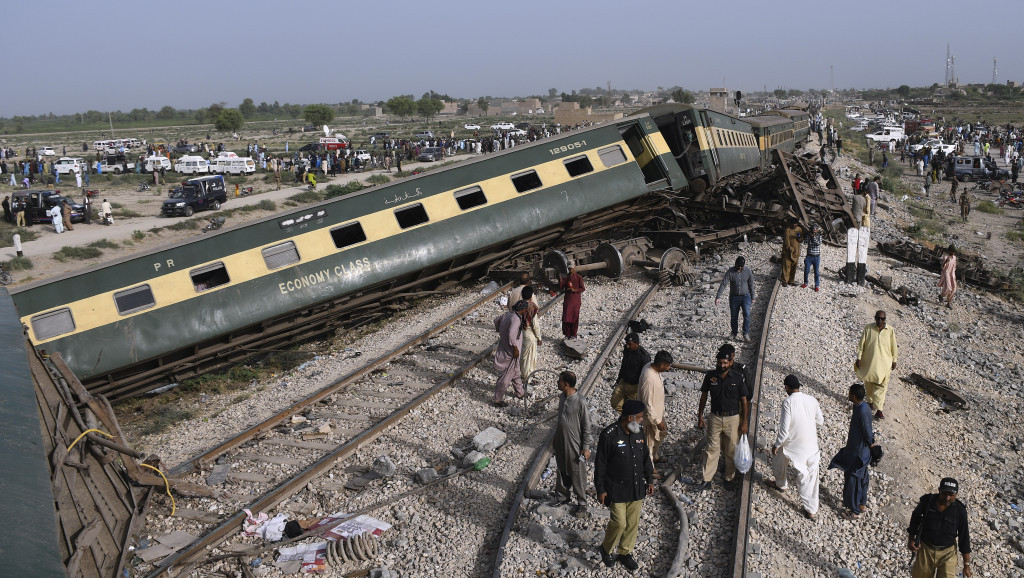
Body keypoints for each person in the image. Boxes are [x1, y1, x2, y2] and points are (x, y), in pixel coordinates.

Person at [594, 399, 655, 572]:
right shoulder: (609, 435)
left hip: (636, 488)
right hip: (616, 489)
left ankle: (625, 552)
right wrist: (600, 489)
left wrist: (649, 479)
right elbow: (601, 464)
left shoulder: (638, 432)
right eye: (640, 417)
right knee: (619, 523)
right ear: (630, 418)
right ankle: (606, 549)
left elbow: (645, 458)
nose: (642, 420)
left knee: (632, 523)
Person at [766, 375, 824, 520]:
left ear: (787, 387)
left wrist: (777, 444)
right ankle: (811, 510)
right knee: (809, 477)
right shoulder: (812, 399)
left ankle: (781, 484)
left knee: (779, 458)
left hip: (794, 445)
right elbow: (820, 421)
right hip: (812, 445)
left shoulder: (788, 402)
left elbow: (784, 430)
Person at [695, 343, 751, 491]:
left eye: (725, 362)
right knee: (711, 448)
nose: (722, 365)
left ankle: (729, 478)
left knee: (731, 449)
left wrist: (744, 422)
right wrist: (700, 416)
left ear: (731, 362)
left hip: (733, 419)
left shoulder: (738, 378)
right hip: (715, 417)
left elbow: (744, 400)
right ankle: (707, 479)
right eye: (720, 362)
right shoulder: (710, 376)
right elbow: (704, 396)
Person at [908, 478, 972, 578]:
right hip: (926, 550)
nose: (947, 498)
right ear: (939, 490)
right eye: (944, 493)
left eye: (951, 495)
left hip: (948, 553)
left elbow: (964, 537)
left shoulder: (960, 510)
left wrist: (966, 565)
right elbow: (915, 519)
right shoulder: (927, 501)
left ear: (956, 494)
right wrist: (911, 539)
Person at [829, 383, 875, 520]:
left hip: (858, 453)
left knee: (853, 481)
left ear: (854, 396)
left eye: (849, 393)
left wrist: (871, 442)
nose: (848, 395)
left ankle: (854, 511)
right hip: (861, 452)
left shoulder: (860, 410)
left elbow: (867, 430)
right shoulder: (863, 406)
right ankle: (862, 504)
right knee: (862, 478)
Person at [552, 371, 593, 517]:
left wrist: (586, 447)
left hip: (575, 443)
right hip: (561, 441)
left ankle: (582, 502)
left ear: (566, 384)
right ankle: (562, 496)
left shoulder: (580, 401)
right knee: (562, 469)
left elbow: (587, 425)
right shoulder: (563, 397)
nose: (557, 382)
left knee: (577, 472)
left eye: (560, 380)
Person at [855, 310, 898, 420]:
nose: (880, 321)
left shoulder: (890, 330)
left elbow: (894, 346)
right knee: (869, 383)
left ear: (885, 319)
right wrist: (859, 357)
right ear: (875, 318)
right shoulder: (868, 328)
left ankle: (879, 410)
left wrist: (894, 360)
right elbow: (861, 345)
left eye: (882, 319)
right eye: (878, 318)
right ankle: (870, 403)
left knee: (881, 387)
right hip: (870, 362)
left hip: (884, 364)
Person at [637, 350, 673, 466]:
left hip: (657, 412)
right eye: (667, 366)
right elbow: (647, 403)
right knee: (649, 442)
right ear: (661, 364)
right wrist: (657, 421)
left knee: (662, 433)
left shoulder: (650, 366)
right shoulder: (649, 378)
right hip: (650, 417)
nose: (668, 368)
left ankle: (655, 456)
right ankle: (650, 469)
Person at [492, 300, 527, 407]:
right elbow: (512, 334)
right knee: (506, 376)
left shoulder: (508, 314)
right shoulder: (516, 319)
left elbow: (496, 320)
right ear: (523, 309)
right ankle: (497, 398)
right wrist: (515, 348)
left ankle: (520, 392)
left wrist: (501, 332)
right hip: (511, 351)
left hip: (505, 346)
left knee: (516, 372)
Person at [715, 256, 755, 341]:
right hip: (734, 298)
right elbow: (723, 284)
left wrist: (753, 296)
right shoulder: (730, 272)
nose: (740, 268)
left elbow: (751, 284)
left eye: (741, 267)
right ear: (735, 264)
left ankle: (745, 333)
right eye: (738, 266)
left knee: (747, 315)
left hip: (746, 297)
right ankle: (734, 333)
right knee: (734, 316)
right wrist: (718, 296)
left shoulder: (748, 271)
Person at [610, 333, 651, 413]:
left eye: (630, 344)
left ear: (637, 344)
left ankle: (630, 419)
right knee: (614, 402)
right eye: (627, 344)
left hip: (635, 387)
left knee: (633, 409)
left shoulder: (644, 356)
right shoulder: (627, 350)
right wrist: (619, 379)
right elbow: (623, 365)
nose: (627, 346)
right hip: (623, 382)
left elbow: (645, 375)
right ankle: (626, 417)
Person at [517, 286, 542, 384]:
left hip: (521, 332)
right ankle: (527, 377)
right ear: (531, 296)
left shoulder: (519, 305)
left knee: (523, 354)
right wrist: (539, 337)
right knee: (530, 357)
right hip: (529, 333)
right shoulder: (532, 307)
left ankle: (523, 373)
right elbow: (535, 325)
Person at [559, 261, 585, 339]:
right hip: (568, 300)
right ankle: (567, 334)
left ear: (574, 267)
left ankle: (573, 334)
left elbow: (582, 288)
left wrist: (574, 290)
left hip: (575, 300)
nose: (570, 270)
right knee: (566, 317)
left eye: (571, 268)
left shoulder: (578, 277)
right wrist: (560, 280)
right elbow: (561, 287)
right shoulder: (566, 277)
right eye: (569, 268)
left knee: (574, 317)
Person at [780, 219, 803, 286]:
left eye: (795, 223)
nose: (794, 225)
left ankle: (791, 280)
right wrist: (790, 249)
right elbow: (786, 242)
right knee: (786, 266)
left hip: (796, 252)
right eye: (793, 224)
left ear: (797, 224)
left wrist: (800, 239)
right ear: (790, 224)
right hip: (788, 251)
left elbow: (801, 239)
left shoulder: (799, 229)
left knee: (794, 266)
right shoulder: (788, 230)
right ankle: (785, 280)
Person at [801, 222, 822, 291]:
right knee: (806, 270)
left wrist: (814, 238)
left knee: (816, 272)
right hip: (809, 256)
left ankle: (817, 285)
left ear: (817, 230)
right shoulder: (809, 235)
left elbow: (818, 244)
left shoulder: (819, 236)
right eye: (813, 229)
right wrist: (809, 236)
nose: (814, 231)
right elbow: (805, 242)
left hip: (816, 257)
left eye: (815, 230)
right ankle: (805, 283)